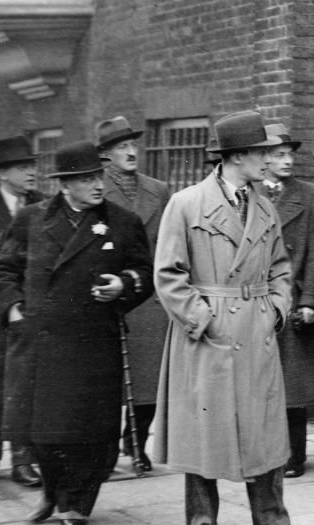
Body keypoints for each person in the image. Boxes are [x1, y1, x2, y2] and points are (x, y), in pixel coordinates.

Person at [152, 110, 309, 525]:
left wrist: (275, 309)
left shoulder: (264, 206)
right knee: (206, 436)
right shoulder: (186, 204)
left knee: (265, 432)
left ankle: (273, 521)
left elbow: (281, 266)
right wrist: (204, 318)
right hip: (209, 334)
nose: (269, 159)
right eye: (262, 152)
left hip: (256, 329)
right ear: (237, 156)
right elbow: (168, 274)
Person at [0, 141, 153, 525]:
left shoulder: (122, 221)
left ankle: (76, 503)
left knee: (90, 432)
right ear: (64, 185)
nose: (97, 185)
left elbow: (145, 273)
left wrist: (123, 284)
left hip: (95, 342)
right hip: (42, 342)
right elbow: (3, 270)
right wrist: (14, 310)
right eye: (85, 179)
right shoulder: (32, 219)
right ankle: (53, 490)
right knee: (42, 431)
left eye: (98, 176)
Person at [95, 116, 171, 471]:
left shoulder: (158, 189)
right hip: (113, 296)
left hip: (151, 297)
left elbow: (170, 243)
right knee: (108, 383)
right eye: (122, 147)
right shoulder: (94, 190)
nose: (131, 152)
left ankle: (137, 445)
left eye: (133, 145)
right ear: (106, 154)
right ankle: (107, 451)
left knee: (149, 382)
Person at [0, 136, 45, 487]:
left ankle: (23, 462)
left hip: (31, 313)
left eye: (32, 165)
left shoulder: (47, 206)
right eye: (22, 167)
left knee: (26, 387)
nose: (32, 172)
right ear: (2, 174)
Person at [257, 123, 314, 478]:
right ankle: (261, 451)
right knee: (256, 379)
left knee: (293, 385)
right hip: (254, 300)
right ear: (263, 158)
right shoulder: (249, 192)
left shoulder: (311, 195)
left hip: (291, 297)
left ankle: (294, 456)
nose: (287, 161)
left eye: (290, 155)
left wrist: (311, 301)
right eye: (279, 155)